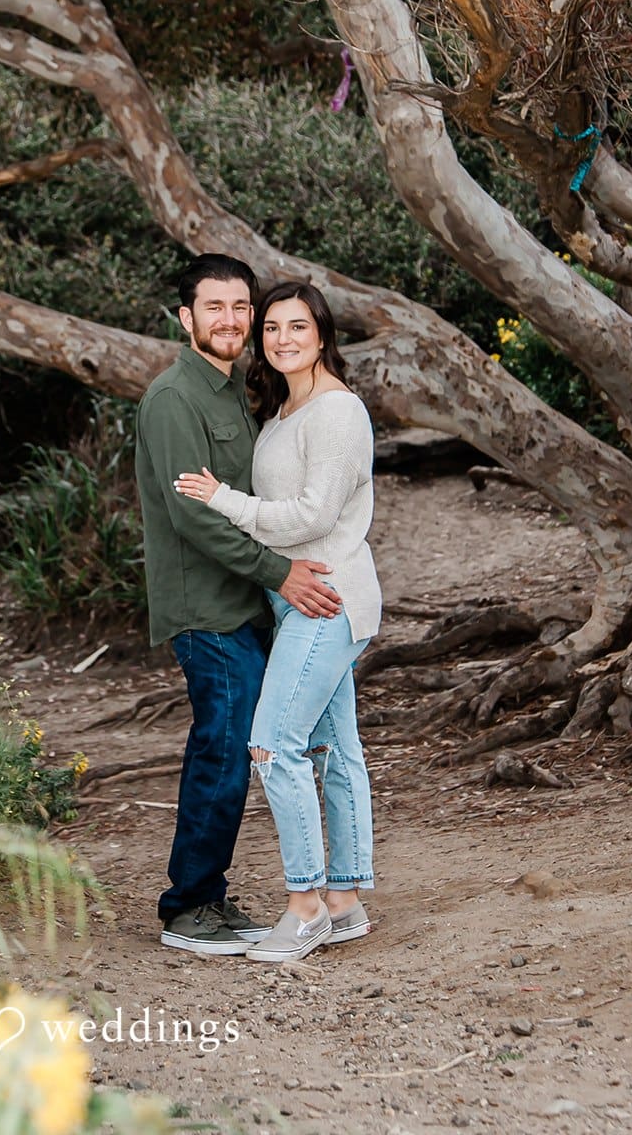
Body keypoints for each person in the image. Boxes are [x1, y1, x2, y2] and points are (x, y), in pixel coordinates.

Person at [135, 254, 344, 955]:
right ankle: (188, 906)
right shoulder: (173, 400)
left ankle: (210, 898)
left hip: (243, 604)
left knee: (237, 748)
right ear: (184, 318)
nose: (230, 321)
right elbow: (193, 518)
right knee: (223, 748)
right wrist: (281, 574)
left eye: (239, 308)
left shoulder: (233, 391)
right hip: (205, 608)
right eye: (213, 308)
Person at [175, 280, 380, 962]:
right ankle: (346, 901)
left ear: (322, 335)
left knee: (271, 745)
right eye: (271, 328)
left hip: (327, 596)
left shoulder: (337, 412)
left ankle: (304, 905)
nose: (282, 338)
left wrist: (224, 500)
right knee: (333, 749)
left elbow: (315, 516)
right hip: (297, 599)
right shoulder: (285, 411)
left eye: (297, 326)